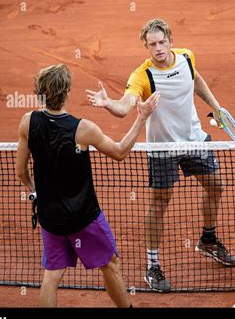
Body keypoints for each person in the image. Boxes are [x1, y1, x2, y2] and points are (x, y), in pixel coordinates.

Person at [86, 19, 235, 293]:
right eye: (151, 45)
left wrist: (215, 106)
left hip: (193, 139)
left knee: (216, 186)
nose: (157, 49)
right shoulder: (142, 76)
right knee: (159, 204)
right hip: (162, 148)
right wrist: (109, 104)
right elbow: (126, 106)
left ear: (170, 40)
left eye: (161, 42)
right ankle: (152, 266)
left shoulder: (186, 57)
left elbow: (195, 77)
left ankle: (208, 240)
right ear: (146, 47)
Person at [16, 63, 159, 306]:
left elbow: (21, 171)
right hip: (83, 217)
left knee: (52, 274)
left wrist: (35, 192)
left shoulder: (28, 122)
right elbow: (120, 151)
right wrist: (142, 117)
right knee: (110, 265)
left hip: (49, 216)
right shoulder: (83, 129)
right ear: (67, 92)